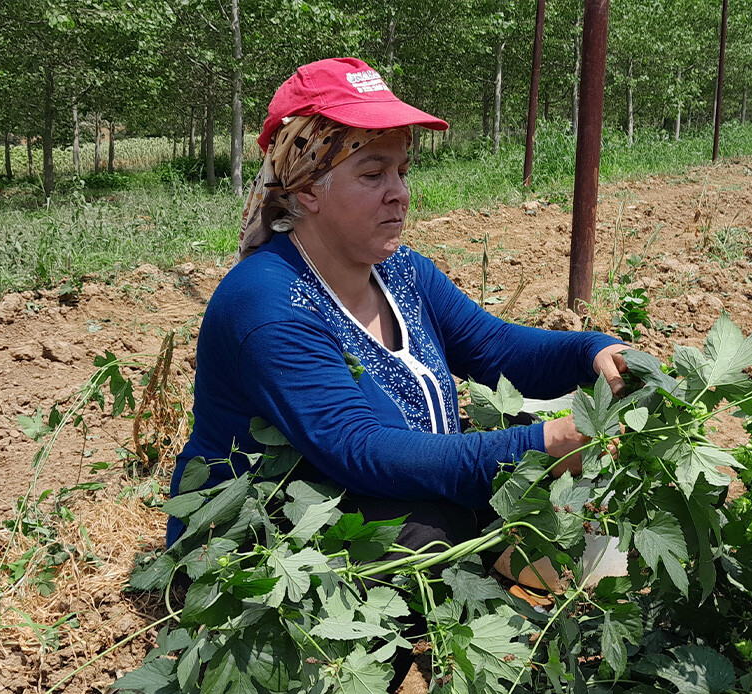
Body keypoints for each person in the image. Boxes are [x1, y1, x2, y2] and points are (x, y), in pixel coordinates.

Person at [165, 57, 628, 554]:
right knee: (436, 534)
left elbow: (496, 349)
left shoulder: (399, 272)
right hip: (262, 545)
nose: (400, 194)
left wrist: (593, 351)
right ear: (307, 187)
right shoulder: (269, 302)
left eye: (402, 171)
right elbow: (358, 447)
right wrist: (540, 445)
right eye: (373, 174)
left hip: (373, 498)